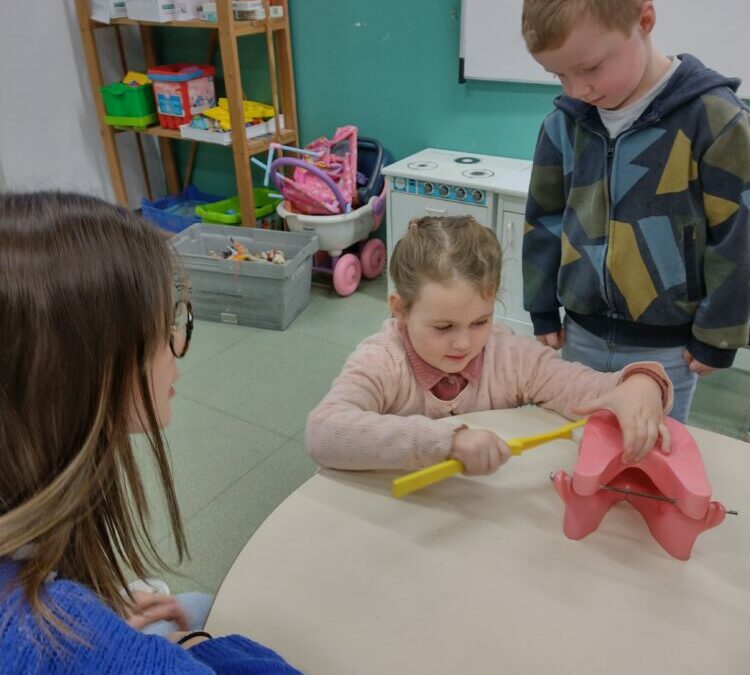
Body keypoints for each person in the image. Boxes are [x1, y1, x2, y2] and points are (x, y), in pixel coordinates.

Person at [0, 192, 303, 674]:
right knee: (205, 615)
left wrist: (108, 610)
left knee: (196, 600)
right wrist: (192, 644)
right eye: (167, 327)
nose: (178, 346)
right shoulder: (59, 633)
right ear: (91, 371)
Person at [520, 0, 750, 422]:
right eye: (559, 75)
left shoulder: (717, 121)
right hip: (581, 334)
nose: (576, 90)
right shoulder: (563, 123)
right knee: (581, 446)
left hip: (667, 349)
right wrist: (540, 305)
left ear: (644, 21)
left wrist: (718, 333)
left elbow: (739, 237)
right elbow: (544, 216)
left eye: (588, 69)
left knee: (650, 463)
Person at [306, 215, 673, 475]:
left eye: (480, 321)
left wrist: (641, 383)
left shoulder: (506, 354)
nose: (464, 342)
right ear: (400, 310)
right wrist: (446, 442)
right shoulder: (383, 359)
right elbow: (324, 432)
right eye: (443, 326)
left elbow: (582, 390)